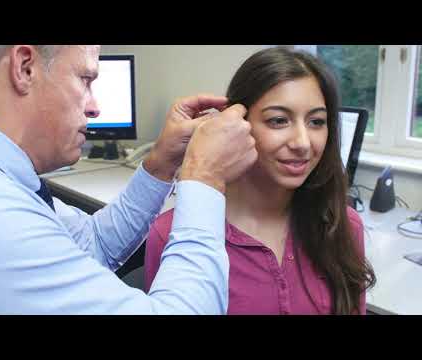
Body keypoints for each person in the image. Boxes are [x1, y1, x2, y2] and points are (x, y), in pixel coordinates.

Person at [0, 45, 258, 314]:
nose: (95, 108)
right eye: (85, 79)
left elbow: (93, 243)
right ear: (25, 68)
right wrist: (204, 175)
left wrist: (163, 163)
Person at [145, 47, 377, 315]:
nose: (302, 142)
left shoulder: (343, 225)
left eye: (316, 121)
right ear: (236, 124)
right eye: (278, 120)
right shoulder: (173, 235)